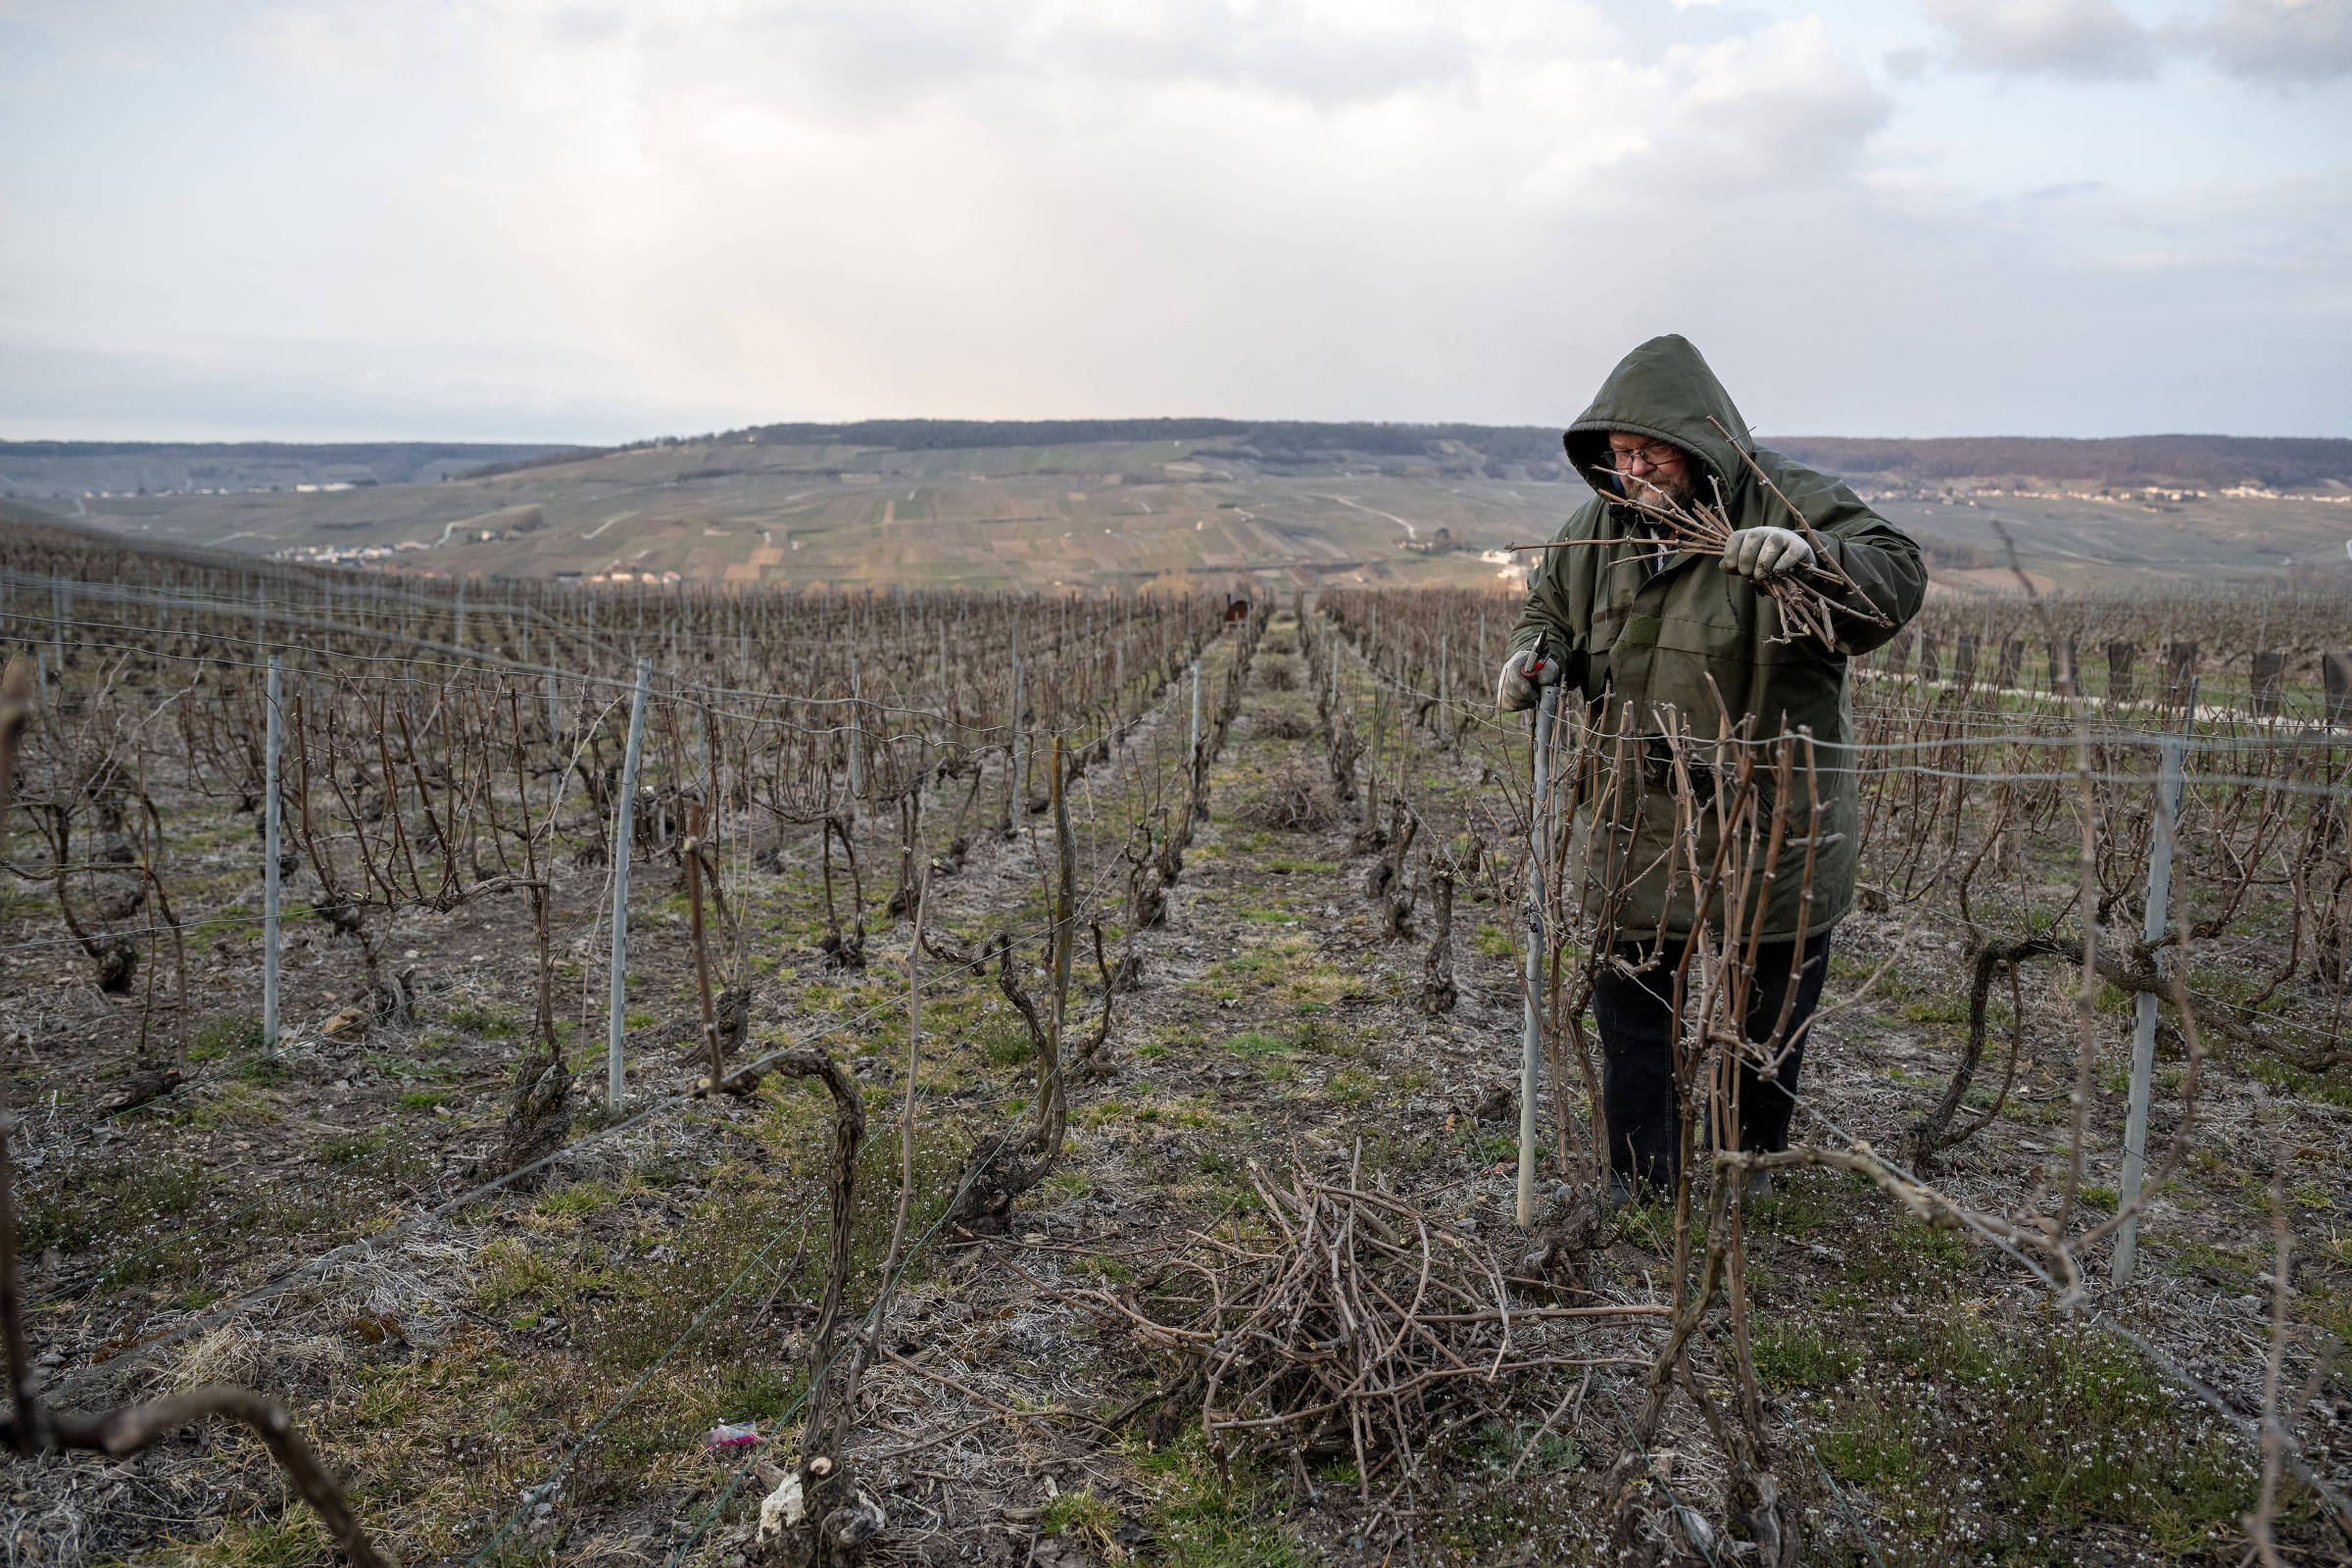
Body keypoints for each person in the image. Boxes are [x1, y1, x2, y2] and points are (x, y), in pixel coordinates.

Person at [1495, 334, 1924, 1199]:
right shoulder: (1601, 524)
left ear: (1701, 440)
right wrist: (1536, 655)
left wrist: (1813, 561)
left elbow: (1897, 580)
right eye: (1617, 455)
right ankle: (1641, 1182)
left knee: (1763, 1019)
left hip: (1769, 823)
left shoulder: (1791, 498)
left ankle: (1744, 1172)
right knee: (1633, 1015)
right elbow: (1551, 604)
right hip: (1640, 825)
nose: (1634, 471)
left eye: (1650, 451)